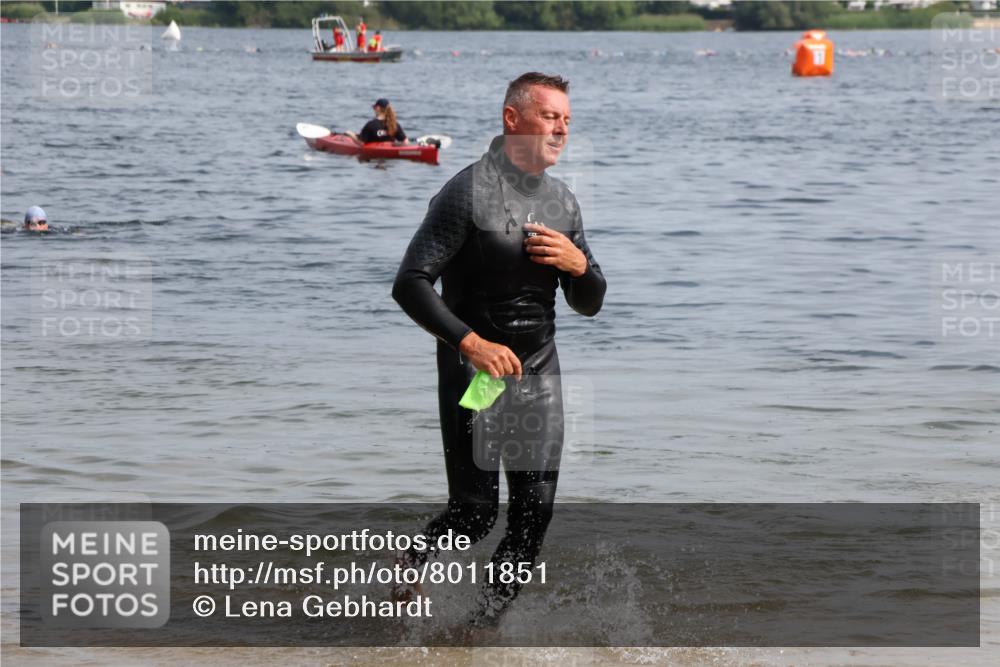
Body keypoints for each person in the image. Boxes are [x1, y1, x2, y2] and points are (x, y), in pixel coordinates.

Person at [391, 72, 606, 629]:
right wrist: (471, 342)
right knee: (475, 513)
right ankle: (410, 563)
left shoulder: (563, 202)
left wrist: (580, 267)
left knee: (535, 515)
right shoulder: (465, 192)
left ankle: (478, 631)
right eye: (550, 117)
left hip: (538, 370)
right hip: (473, 369)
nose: (561, 130)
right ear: (513, 119)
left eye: (566, 121)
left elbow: (589, 302)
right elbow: (410, 283)